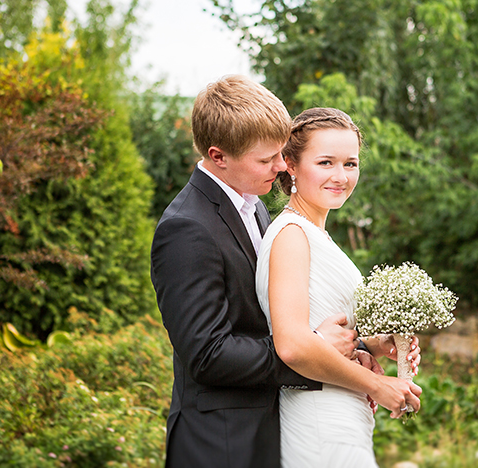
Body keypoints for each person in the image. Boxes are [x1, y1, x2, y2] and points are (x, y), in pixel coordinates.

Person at [150, 76, 364, 468]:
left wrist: (358, 346)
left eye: (280, 154)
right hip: (219, 443)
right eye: (267, 160)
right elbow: (208, 355)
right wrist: (308, 349)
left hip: (271, 430)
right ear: (219, 156)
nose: (282, 166)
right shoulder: (186, 229)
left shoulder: (255, 204)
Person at [255, 107, 423, 468]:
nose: (341, 176)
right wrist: (378, 386)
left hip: (343, 411)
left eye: (351, 163)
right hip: (318, 415)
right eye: (326, 162)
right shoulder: (291, 236)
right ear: (291, 165)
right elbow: (295, 345)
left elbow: (322, 331)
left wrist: (374, 345)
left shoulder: (316, 235)